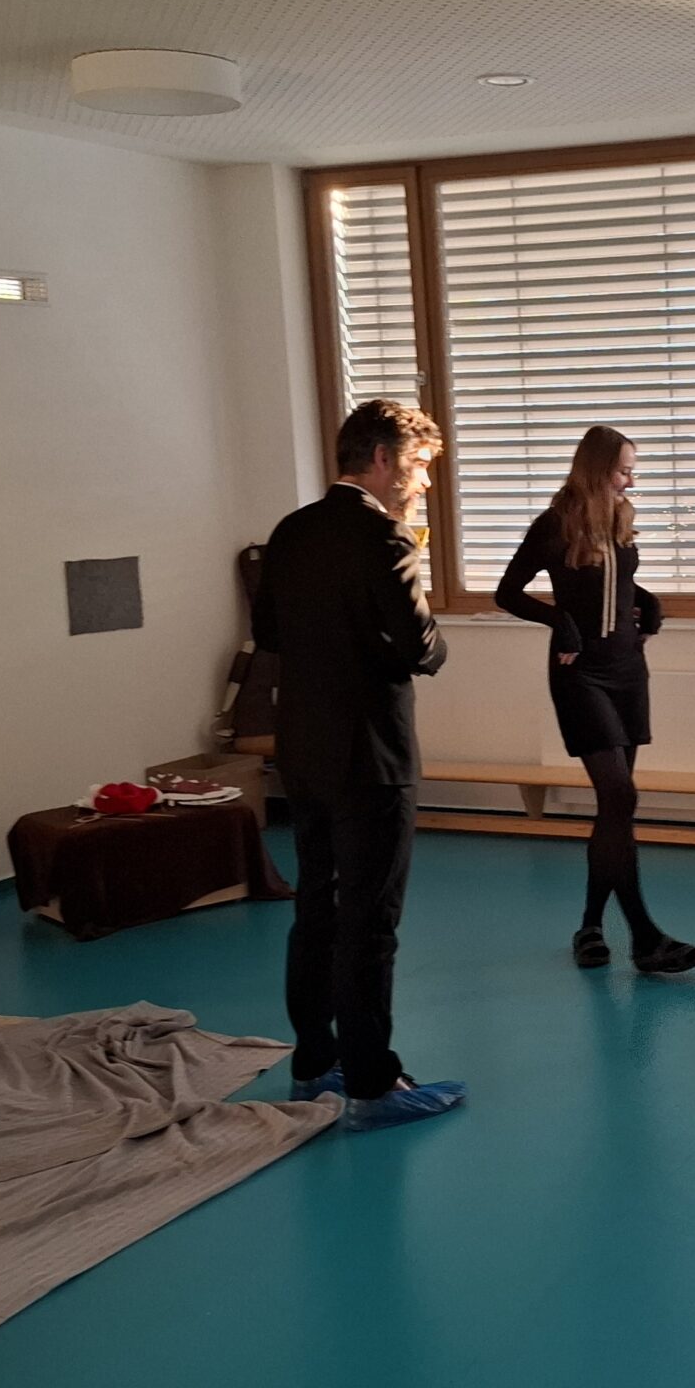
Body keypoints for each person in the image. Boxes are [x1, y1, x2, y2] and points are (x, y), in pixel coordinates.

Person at [252, 398, 465, 1131]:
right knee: (370, 925)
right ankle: (374, 1085)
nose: (423, 483)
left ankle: (315, 1062)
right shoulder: (384, 537)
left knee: (316, 909)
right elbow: (422, 648)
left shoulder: (291, 530)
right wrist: (414, 638)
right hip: (372, 757)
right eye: (420, 467)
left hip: (303, 750)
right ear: (382, 459)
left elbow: (269, 631)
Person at [496, 425, 695, 976]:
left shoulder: (618, 517)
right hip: (580, 673)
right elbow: (507, 592)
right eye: (622, 471)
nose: (630, 481)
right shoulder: (555, 523)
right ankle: (644, 937)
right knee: (619, 793)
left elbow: (615, 584)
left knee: (615, 807)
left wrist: (649, 602)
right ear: (596, 470)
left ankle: (590, 925)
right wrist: (560, 621)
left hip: (627, 671)